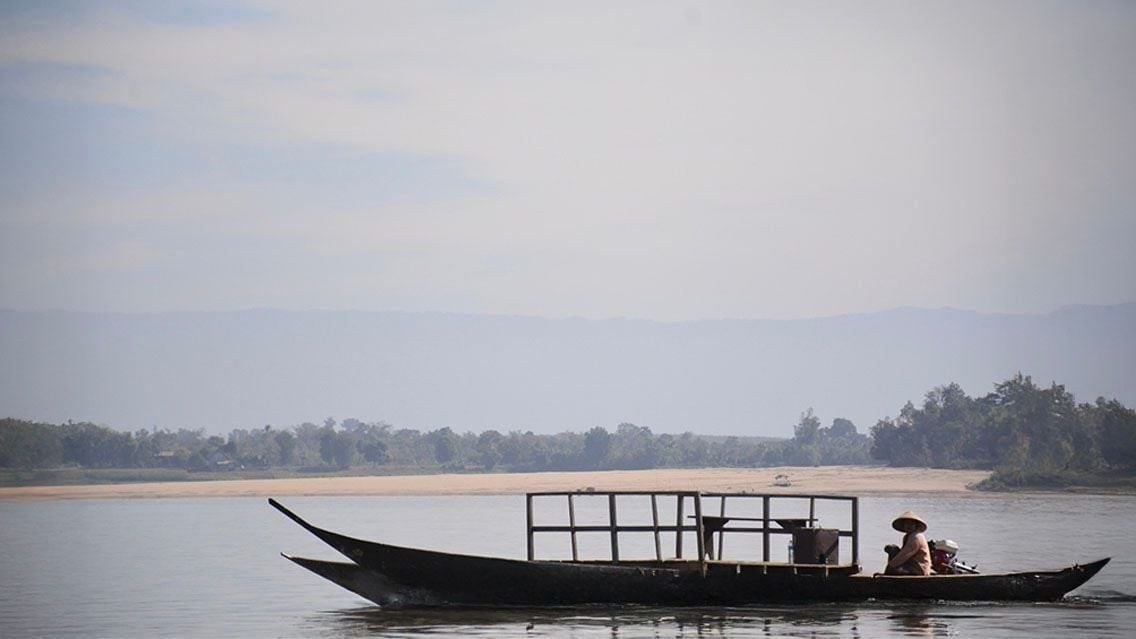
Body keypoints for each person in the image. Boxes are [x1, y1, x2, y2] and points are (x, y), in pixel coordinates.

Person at [883, 510, 931, 575]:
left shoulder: (916, 537)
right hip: (912, 565)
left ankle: (888, 575)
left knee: (893, 552)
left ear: (915, 525)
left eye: (911, 524)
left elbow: (904, 555)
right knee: (892, 549)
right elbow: (902, 554)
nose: (908, 526)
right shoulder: (908, 536)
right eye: (906, 524)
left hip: (920, 569)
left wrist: (890, 566)